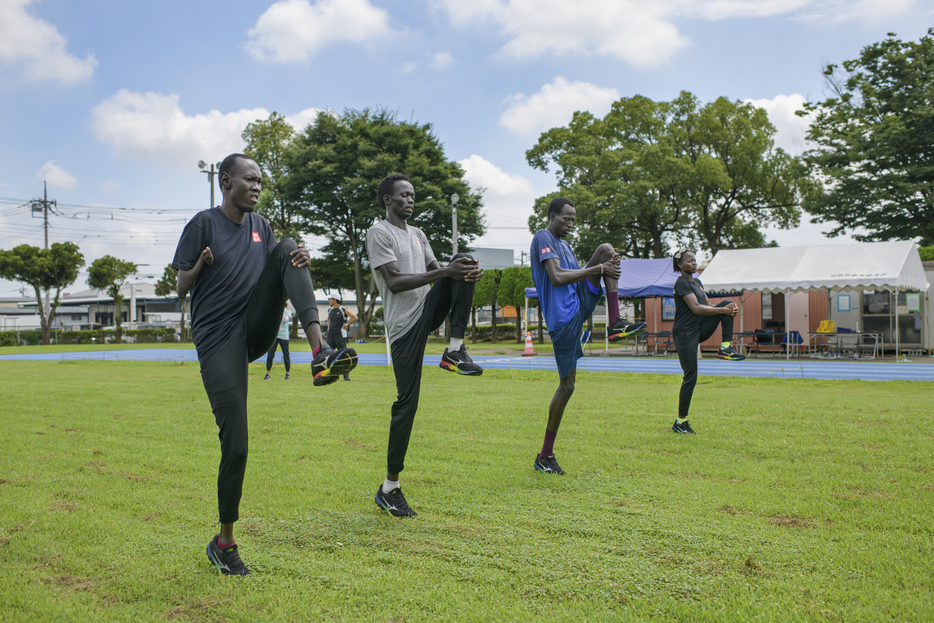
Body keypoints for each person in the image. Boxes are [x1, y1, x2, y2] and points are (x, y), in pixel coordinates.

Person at [172, 153, 358, 576]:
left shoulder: (262, 227)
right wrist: (202, 262)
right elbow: (181, 286)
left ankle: (319, 355)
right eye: (249, 180)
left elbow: (280, 270)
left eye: (260, 181)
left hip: (254, 325)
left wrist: (298, 262)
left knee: (290, 250)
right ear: (225, 181)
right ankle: (224, 542)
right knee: (236, 443)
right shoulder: (203, 223)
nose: (256, 187)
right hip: (218, 339)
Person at [366, 173, 483, 517]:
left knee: (464, 262)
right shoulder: (379, 232)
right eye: (404, 195)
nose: (411, 199)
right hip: (404, 328)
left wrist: (460, 273)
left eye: (413, 194)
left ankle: (454, 349)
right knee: (407, 403)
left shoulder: (418, 234)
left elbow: (438, 269)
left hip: (426, 312)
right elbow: (395, 282)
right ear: (388, 199)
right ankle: (390, 487)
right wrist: (446, 273)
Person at [530, 197, 633, 476]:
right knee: (567, 386)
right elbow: (557, 276)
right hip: (562, 319)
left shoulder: (565, 245)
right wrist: (600, 270)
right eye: (567, 218)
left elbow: (581, 273)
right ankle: (544, 455)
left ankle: (615, 322)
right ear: (552, 216)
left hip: (578, 305)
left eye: (574, 219)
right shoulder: (543, 237)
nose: (571, 224)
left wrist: (606, 266)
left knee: (606, 251)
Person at [671, 248, 745, 434]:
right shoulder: (681, 283)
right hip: (685, 334)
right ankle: (680, 422)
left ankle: (725, 348)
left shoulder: (698, 282)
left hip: (699, 329)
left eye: (695, 260)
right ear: (680, 265)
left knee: (726, 303)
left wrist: (727, 310)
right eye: (689, 261)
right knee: (691, 377)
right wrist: (723, 311)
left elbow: (709, 306)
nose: (694, 263)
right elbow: (696, 308)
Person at [326, 296, 357, 381]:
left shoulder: (343, 309)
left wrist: (346, 325)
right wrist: (329, 327)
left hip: (340, 335)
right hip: (331, 335)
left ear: (334, 299)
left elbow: (354, 317)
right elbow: (328, 319)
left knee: (343, 355)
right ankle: (330, 374)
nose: (328, 301)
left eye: (330, 299)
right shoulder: (330, 310)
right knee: (329, 355)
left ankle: (346, 375)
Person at [264, 306, 293, 380]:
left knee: (286, 354)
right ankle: (268, 373)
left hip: (284, 336)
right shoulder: (275, 310)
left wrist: (282, 311)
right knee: (270, 354)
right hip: (275, 336)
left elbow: (284, 319)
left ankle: (287, 373)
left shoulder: (288, 312)